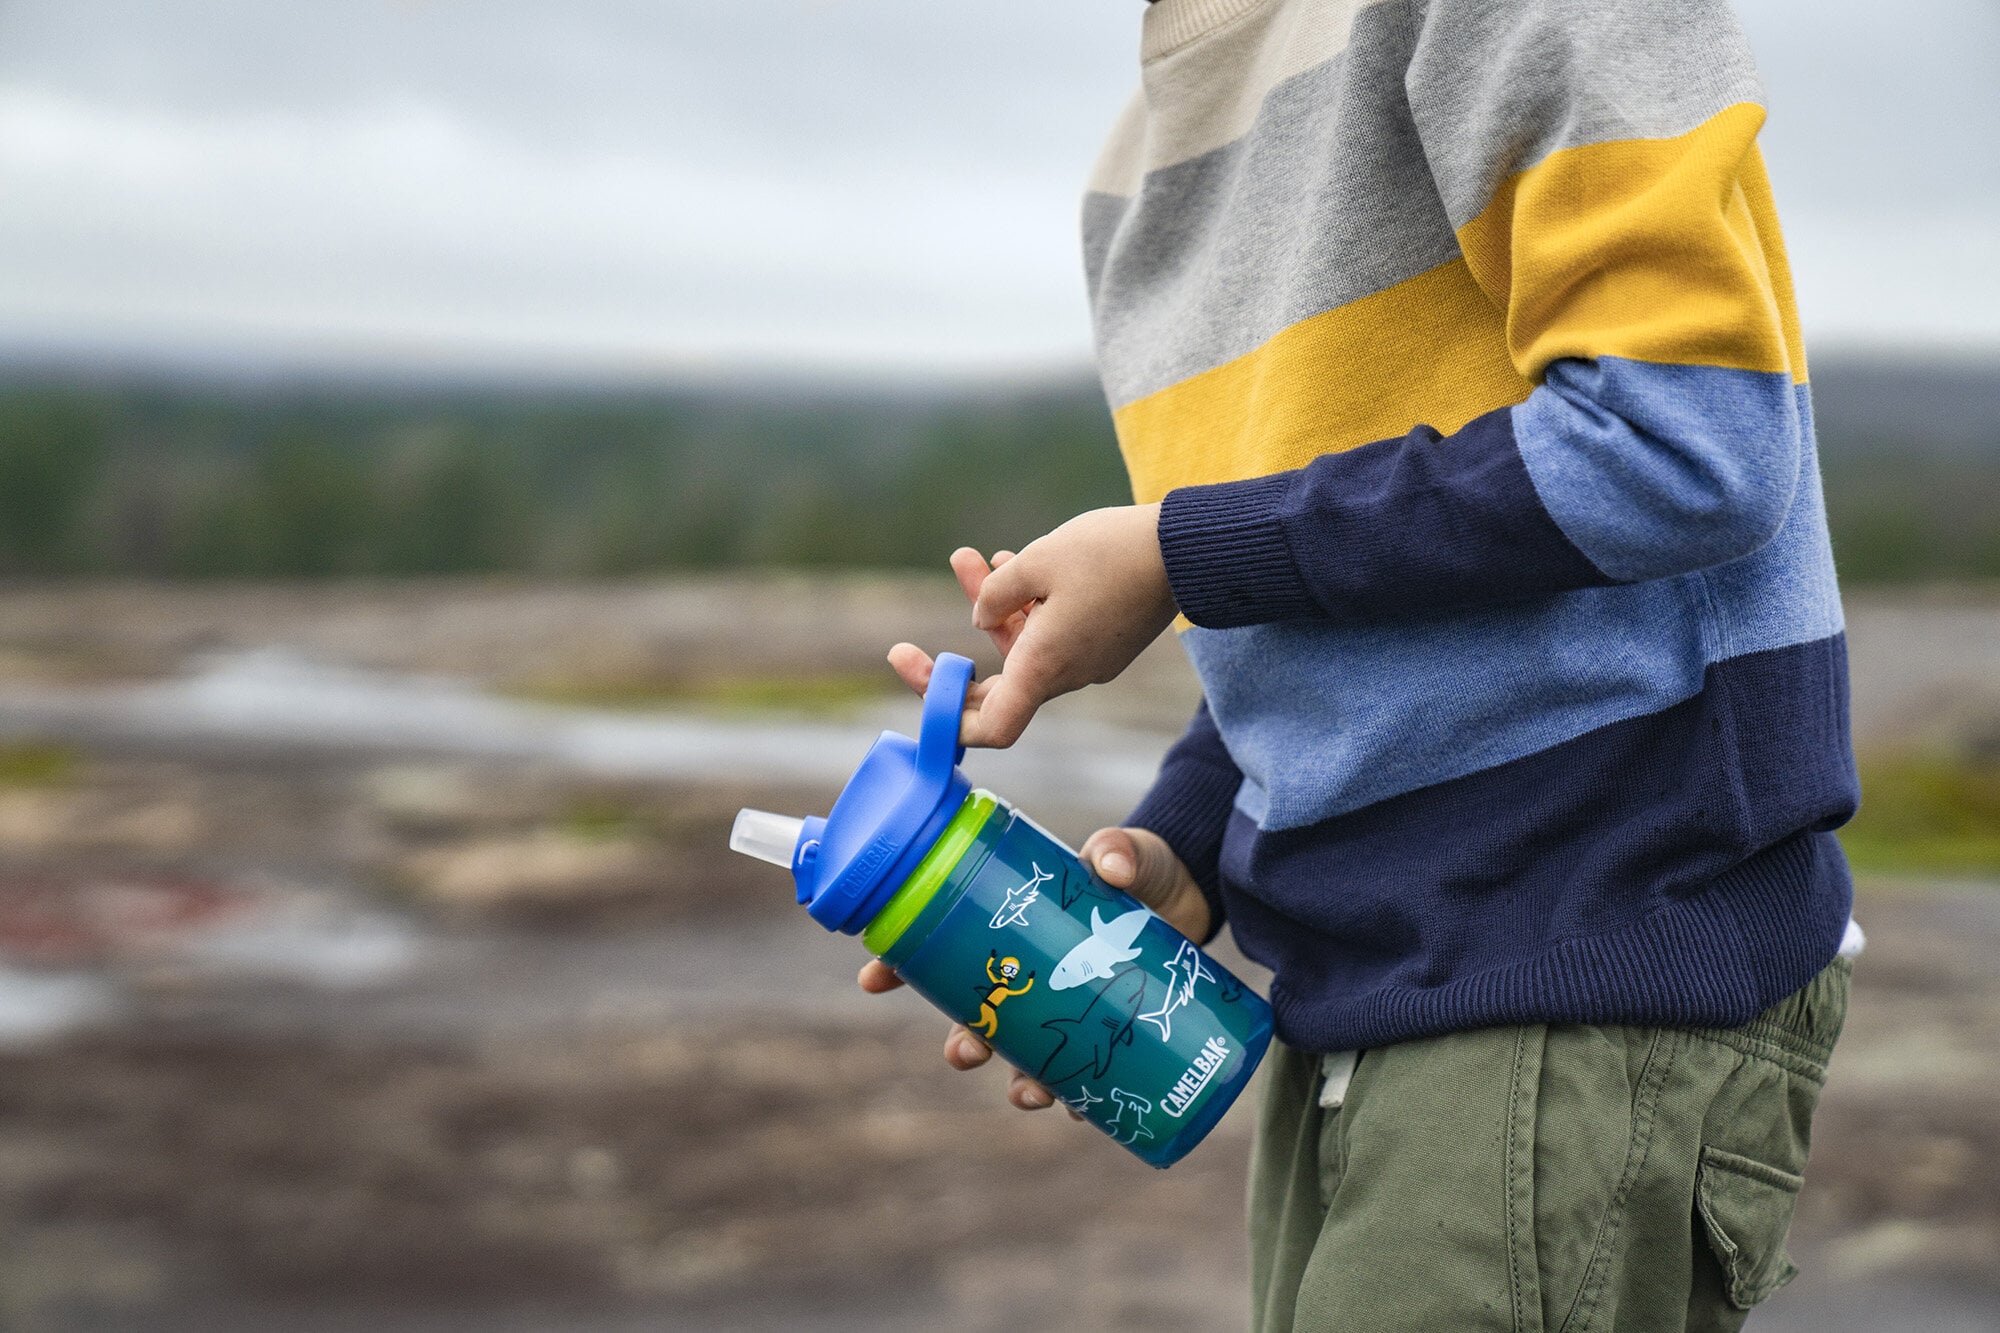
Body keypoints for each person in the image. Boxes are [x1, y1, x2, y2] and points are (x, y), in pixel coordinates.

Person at [861, 0, 1862, 1327]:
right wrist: (1192, 843)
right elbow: (1347, 586)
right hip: (1361, 992)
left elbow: (1688, 447)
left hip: (1587, 944)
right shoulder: (1143, 153)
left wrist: (1180, 552)